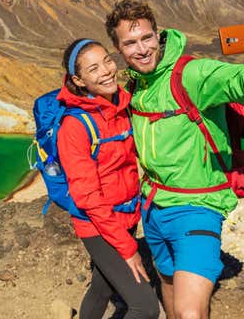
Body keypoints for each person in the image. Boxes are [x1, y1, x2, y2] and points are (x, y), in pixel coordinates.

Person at [104, 0, 244, 319]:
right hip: (153, 210)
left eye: (147, 38)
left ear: (158, 35)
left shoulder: (192, 74)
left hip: (197, 209)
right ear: (118, 48)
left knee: (190, 313)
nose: (142, 49)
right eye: (131, 42)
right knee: (168, 289)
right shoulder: (136, 86)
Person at [56, 38, 160, 319]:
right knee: (145, 307)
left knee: (102, 289)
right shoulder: (74, 127)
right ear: (78, 80)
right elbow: (87, 197)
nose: (106, 71)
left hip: (126, 216)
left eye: (107, 61)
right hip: (97, 225)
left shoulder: (122, 105)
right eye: (93, 69)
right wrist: (128, 248)